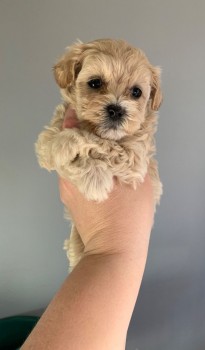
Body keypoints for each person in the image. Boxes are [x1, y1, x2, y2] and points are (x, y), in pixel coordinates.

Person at [21, 107, 155, 350]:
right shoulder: (65, 120)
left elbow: (134, 168)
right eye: (95, 85)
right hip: (96, 246)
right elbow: (47, 154)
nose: (117, 104)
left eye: (135, 92)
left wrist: (83, 146)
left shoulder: (139, 134)